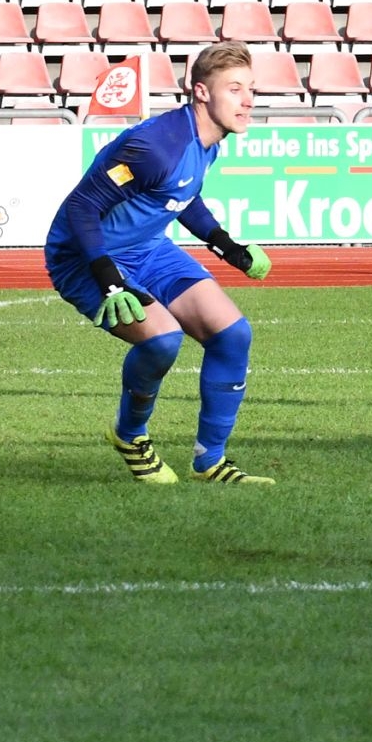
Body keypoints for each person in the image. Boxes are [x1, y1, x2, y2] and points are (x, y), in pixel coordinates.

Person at [44, 41, 274, 485]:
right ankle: (129, 435)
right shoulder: (157, 146)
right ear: (202, 92)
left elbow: (181, 195)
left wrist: (226, 245)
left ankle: (211, 462)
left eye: (251, 89)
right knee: (162, 340)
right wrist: (110, 282)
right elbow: (82, 208)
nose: (248, 100)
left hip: (149, 247)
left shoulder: (208, 139)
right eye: (235, 89)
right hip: (86, 256)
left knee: (232, 334)